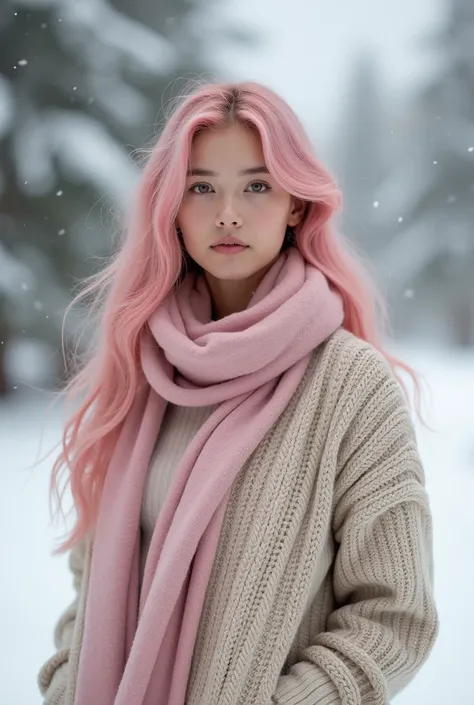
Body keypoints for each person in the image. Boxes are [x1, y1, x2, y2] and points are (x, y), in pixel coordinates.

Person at [38, 80, 439, 705]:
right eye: (202, 187)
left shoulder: (351, 386)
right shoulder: (145, 368)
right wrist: (67, 685)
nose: (228, 212)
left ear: (296, 206)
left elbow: (395, 616)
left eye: (257, 185)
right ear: (171, 207)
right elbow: (93, 584)